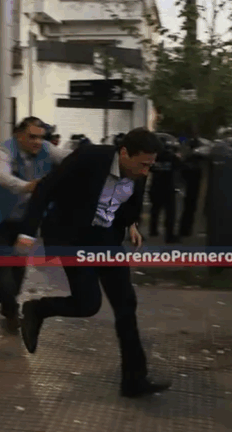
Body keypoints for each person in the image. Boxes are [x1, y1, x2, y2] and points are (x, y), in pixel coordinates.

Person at [14, 127, 171, 398]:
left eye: (150, 165)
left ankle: (134, 380)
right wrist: (27, 232)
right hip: (74, 239)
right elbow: (45, 190)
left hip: (108, 240)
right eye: (143, 164)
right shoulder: (88, 157)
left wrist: (131, 224)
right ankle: (38, 309)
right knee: (88, 303)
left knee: (126, 306)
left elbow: (127, 205)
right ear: (124, 153)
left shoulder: (138, 172)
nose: (146, 171)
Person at [0, 117, 71, 332]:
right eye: (32, 137)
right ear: (19, 135)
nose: (38, 142)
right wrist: (29, 186)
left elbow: (69, 158)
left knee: (19, 263)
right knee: (1, 262)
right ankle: (10, 308)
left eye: (41, 137)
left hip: (24, 217)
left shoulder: (47, 148)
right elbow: (1, 176)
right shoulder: (5, 151)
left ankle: (9, 302)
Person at [148, 139, 180, 243]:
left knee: (155, 210)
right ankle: (169, 235)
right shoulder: (172, 157)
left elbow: (149, 168)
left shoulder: (153, 157)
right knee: (170, 213)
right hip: (168, 188)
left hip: (155, 187)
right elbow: (180, 167)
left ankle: (153, 230)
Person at [178, 137, 203, 237]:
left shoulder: (188, 158)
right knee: (190, 209)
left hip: (188, 187)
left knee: (188, 210)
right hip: (192, 188)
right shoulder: (196, 159)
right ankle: (185, 231)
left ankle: (185, 230)